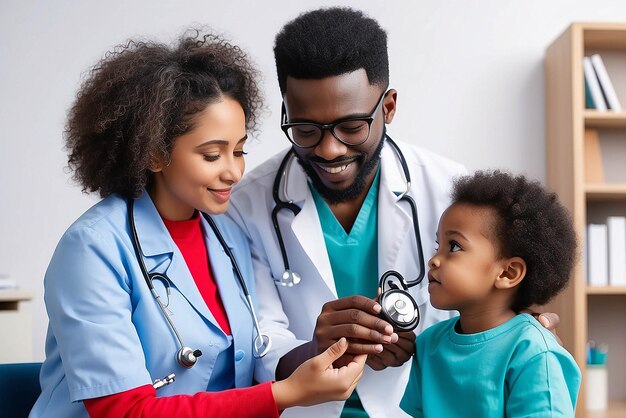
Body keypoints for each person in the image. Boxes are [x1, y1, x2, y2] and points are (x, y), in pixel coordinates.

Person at [227, 7, 562, 418]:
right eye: (306, 130)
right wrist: (317, 349)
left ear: (388, 107)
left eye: (351, 127)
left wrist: (512, 326)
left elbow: (487, 306)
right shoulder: (244, 206)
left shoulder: (451, 191)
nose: (329, 150)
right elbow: (257, 345)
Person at [29, 29, 367, 418]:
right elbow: (124, 412)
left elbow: (249, 358)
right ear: (154, 154)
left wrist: (323, 353)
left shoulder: (227, 236)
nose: (234, 172)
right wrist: (283, 395)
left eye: (239, 151)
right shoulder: (92, 251)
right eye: (212, 155)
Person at [400, 170, 581, 417]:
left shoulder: (533, 352)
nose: (433, 260)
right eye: (437, 245)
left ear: (508, 273)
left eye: (453, 246)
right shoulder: (428, 345)